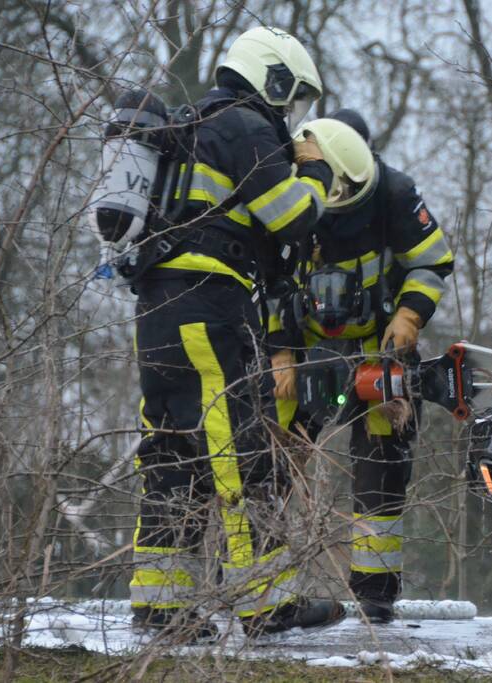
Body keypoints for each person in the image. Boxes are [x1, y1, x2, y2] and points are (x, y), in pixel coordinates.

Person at [128, 26, 345, 641]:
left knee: (172, 450)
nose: (291, 111)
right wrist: (315, 170)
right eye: (292, 95)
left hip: (160, 309)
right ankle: (266, 603)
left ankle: (161, 603)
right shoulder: (244, 125)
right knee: (241, 450)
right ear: (271, 76)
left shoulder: (192, 124)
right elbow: (291, 216)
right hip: (210, 307)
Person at [272, 110, 454, 622]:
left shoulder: (394, 193)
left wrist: (410, 314)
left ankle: (374, 595)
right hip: (303, 352)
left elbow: (431, 261)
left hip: (379, 349)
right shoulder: (288, 194)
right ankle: (262, 587)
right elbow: (268, 283)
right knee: (270, 461)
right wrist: (279, 351)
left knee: (382, 468)